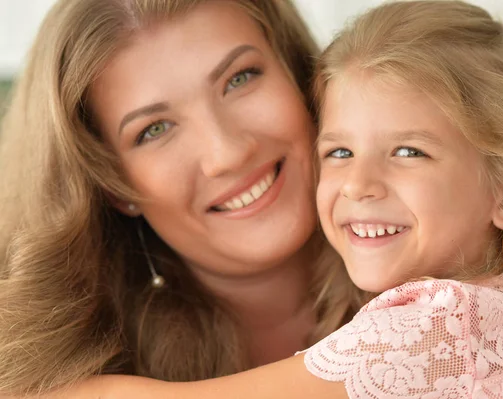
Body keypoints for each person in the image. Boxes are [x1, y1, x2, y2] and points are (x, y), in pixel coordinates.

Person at [61, 1, 503, 398]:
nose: (359, 184)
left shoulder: (441, 326)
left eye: (409, 151)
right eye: (340, 151)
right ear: (110, 182)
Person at [0, 0, 367, 396]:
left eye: (239, 78)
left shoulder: (438, 278)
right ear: (112, 184)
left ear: (299, 73)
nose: (227, 153)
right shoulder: (56, 372)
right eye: (155, 129)